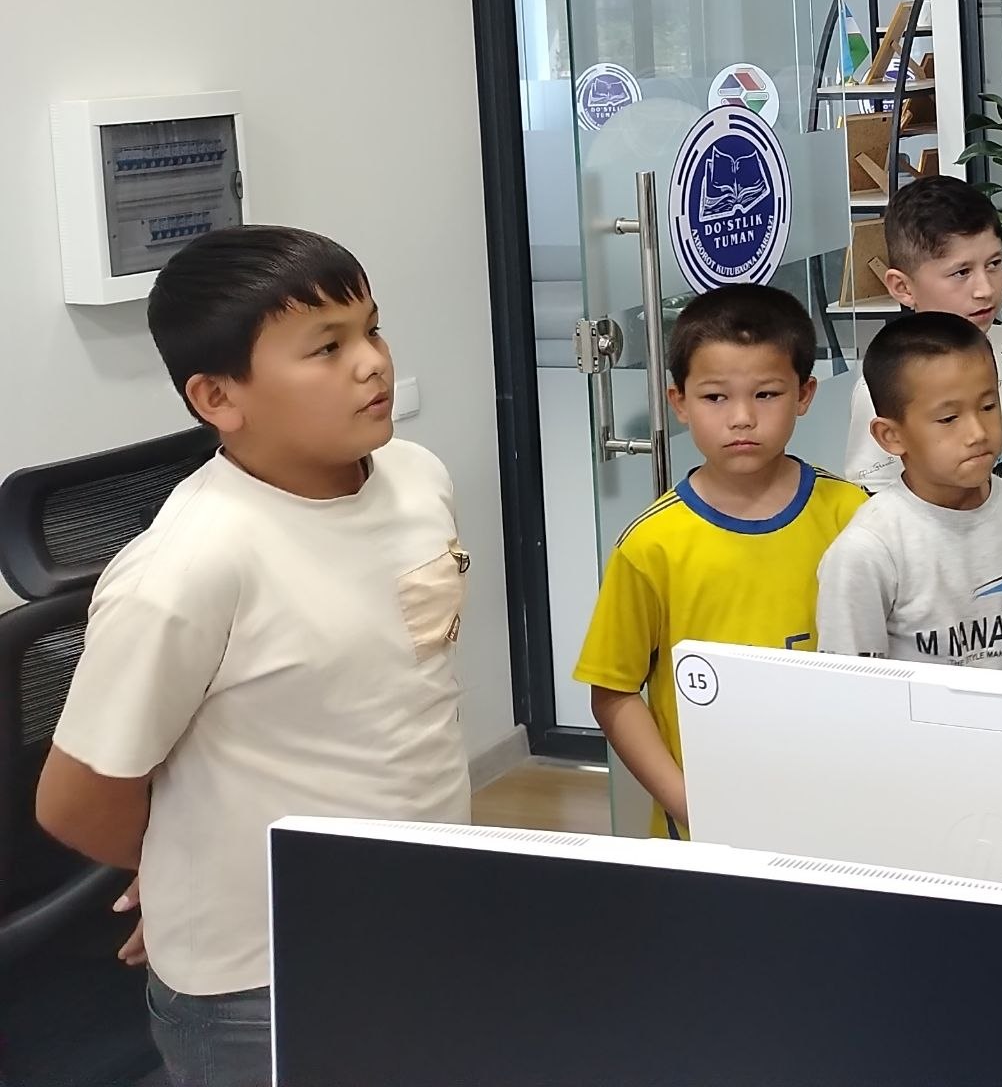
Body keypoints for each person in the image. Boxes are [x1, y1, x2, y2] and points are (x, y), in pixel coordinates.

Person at [36, 227, 473, 1087]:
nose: (372, 363)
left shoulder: (416, 477)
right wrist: (178, 876)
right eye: (327, 347)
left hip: (420, 910)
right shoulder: (189, 568)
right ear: (218, 397)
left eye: (371, 329)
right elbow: (74, 800)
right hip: (262, 981)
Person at [574, 282, 862, 838]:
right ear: (678, 402)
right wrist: (690, 805)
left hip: (838, 811)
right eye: (715, 397)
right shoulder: (651, 545)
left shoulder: (854, 517)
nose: (742, 418)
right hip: (705, 831)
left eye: (767, 394)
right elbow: (613, 692)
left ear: (805, 394)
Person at [843, 176, 1002, 608]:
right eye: (961, 272)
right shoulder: (882, 387)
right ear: (902, 287)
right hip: (937, 611)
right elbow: (873, 511)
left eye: (995, 263)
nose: (985, 288)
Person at [818, 311, 1002, 673]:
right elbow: (853, 684)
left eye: (988, 406)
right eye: (949, 418)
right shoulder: (867, 550)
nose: (977, 433)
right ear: (891, 436)